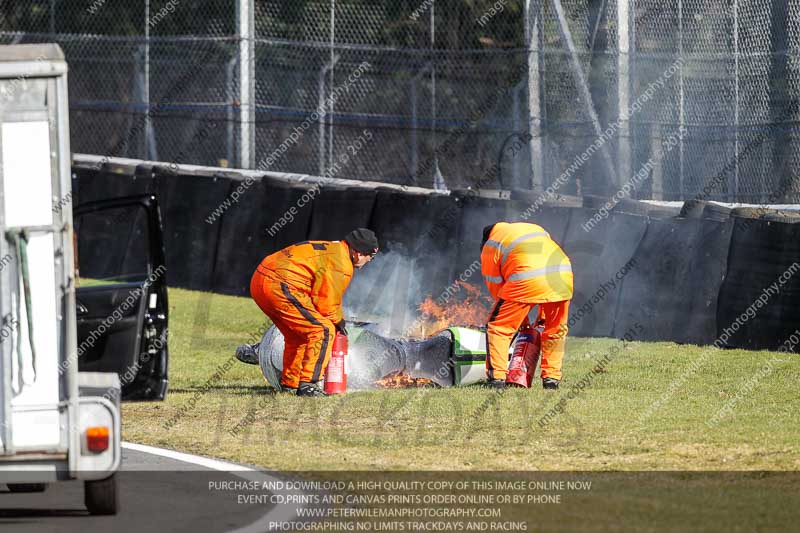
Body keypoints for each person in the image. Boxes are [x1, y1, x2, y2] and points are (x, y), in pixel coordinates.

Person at [238, 228, 379, 396]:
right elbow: (326, 304)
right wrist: (339, 322)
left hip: (260, 279)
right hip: (279, 284)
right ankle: (308, 385)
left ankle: (290, 383)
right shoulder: (343, 264)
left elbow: (319, 295)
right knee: (323, 330)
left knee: (296, 335)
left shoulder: (334, 248)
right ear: (358, 253)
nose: (369, 261)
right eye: (370, 257)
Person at [480, 222, 573, 390]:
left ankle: (496, 380)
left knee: (498, 328)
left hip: (527, 278)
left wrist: (518, 319)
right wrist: (542, 315)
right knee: (555, 331)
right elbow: (543, 262)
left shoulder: (491, 244)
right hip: (563, 275)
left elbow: (496, 287)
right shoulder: (534, 228)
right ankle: (551, 380)